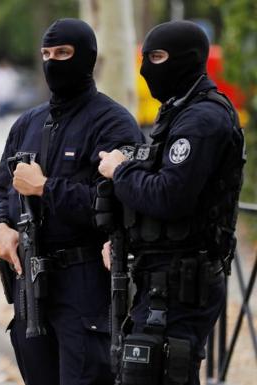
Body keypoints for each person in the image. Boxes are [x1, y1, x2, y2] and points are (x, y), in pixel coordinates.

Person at [0, 19, 143, 385]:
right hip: (31, 290)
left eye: (63, 54)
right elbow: (1, 193)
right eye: (46, 54)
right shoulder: (28, 124)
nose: (53, 62)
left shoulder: (112, 123)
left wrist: (45, 188)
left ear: (86, 58)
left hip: (84, 287)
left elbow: (121, 206)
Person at [98, 21, 245, 385]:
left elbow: (169, 196)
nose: (147, 68)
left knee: (155, 372)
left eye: (158, 57)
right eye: (145, 58)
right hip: (161, 277)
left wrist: (120, 172)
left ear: (189, 60)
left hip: (182, 282)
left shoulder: (202, 119)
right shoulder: (179, 110)